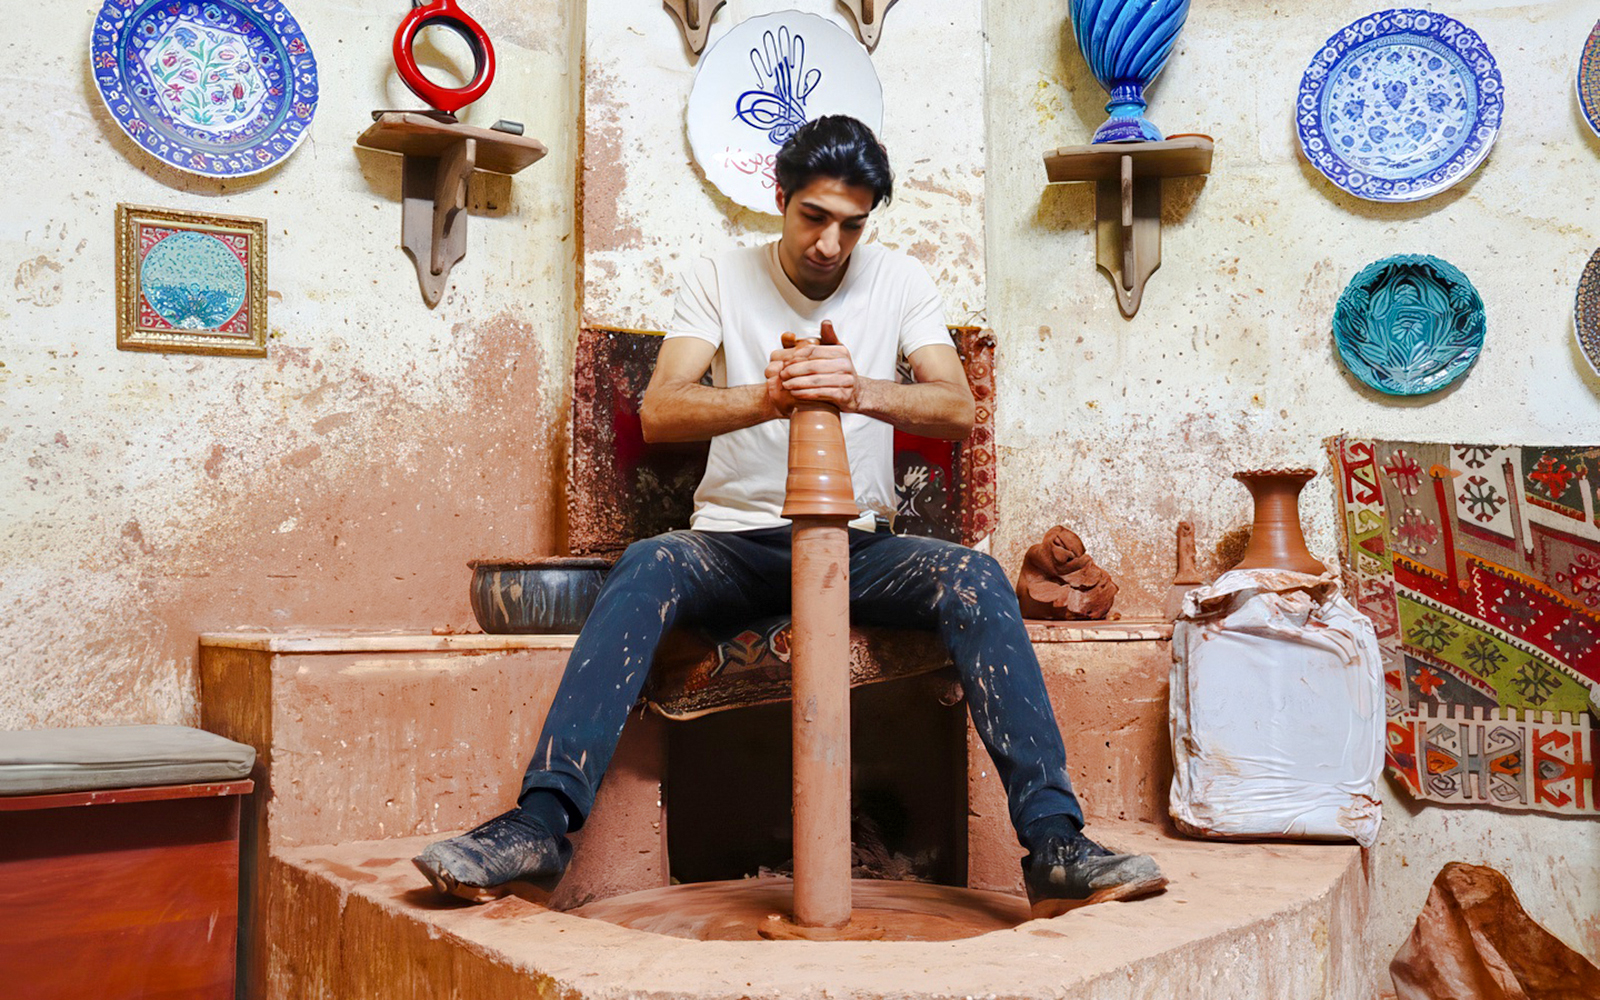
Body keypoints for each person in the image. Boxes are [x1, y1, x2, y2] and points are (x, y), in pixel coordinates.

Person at [413, 115, 1165, 916]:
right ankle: (537, 828)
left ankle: (1054, 846)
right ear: (779, 196)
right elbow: (661, 410)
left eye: (853, 225)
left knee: (976, 577)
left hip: (855, 548)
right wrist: (773, 395)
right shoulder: (719, 275)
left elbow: (956, 406)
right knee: (648, 562)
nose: (831, 244)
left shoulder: (901, 280)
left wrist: (856, 387)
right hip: (734, 547)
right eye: (814, 217)